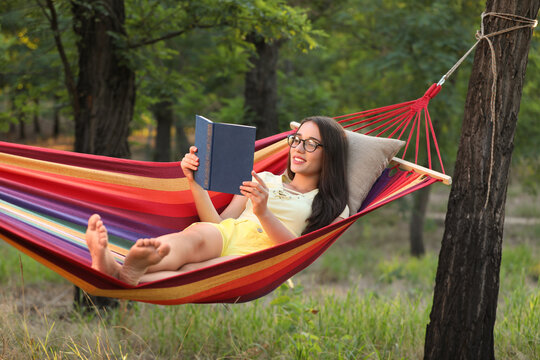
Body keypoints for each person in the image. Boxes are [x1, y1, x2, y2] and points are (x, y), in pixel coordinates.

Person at [85, 116, 349, 285]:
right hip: (226, 234)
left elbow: (299, 254)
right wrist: (193, 181)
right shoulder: (263, 178)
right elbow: (221, 222)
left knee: (193, 273)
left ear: (331, 155)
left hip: (254, 258)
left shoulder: (333, 206)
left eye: (312, 144)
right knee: (191, 239)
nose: (299, 149)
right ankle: (124, 267)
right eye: (297, 140)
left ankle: (122, 274)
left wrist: (263, 213)